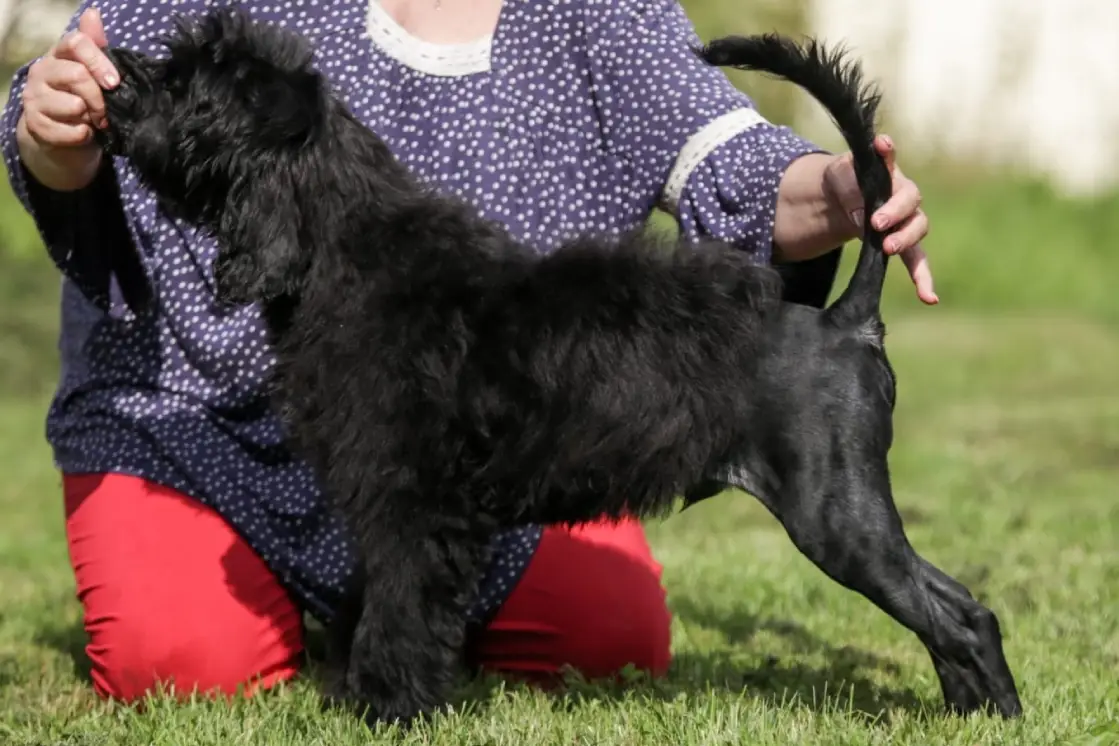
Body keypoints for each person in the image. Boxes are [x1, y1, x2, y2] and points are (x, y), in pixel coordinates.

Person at [1, 0, 932, 704]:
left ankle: (383, 621)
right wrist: (57, 133)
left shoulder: (599, 12)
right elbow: (99, 98)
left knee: (605, 638)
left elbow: (727, 161)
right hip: (193, 426)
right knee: (183, 662)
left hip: (468, 433)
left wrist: (847, 192)